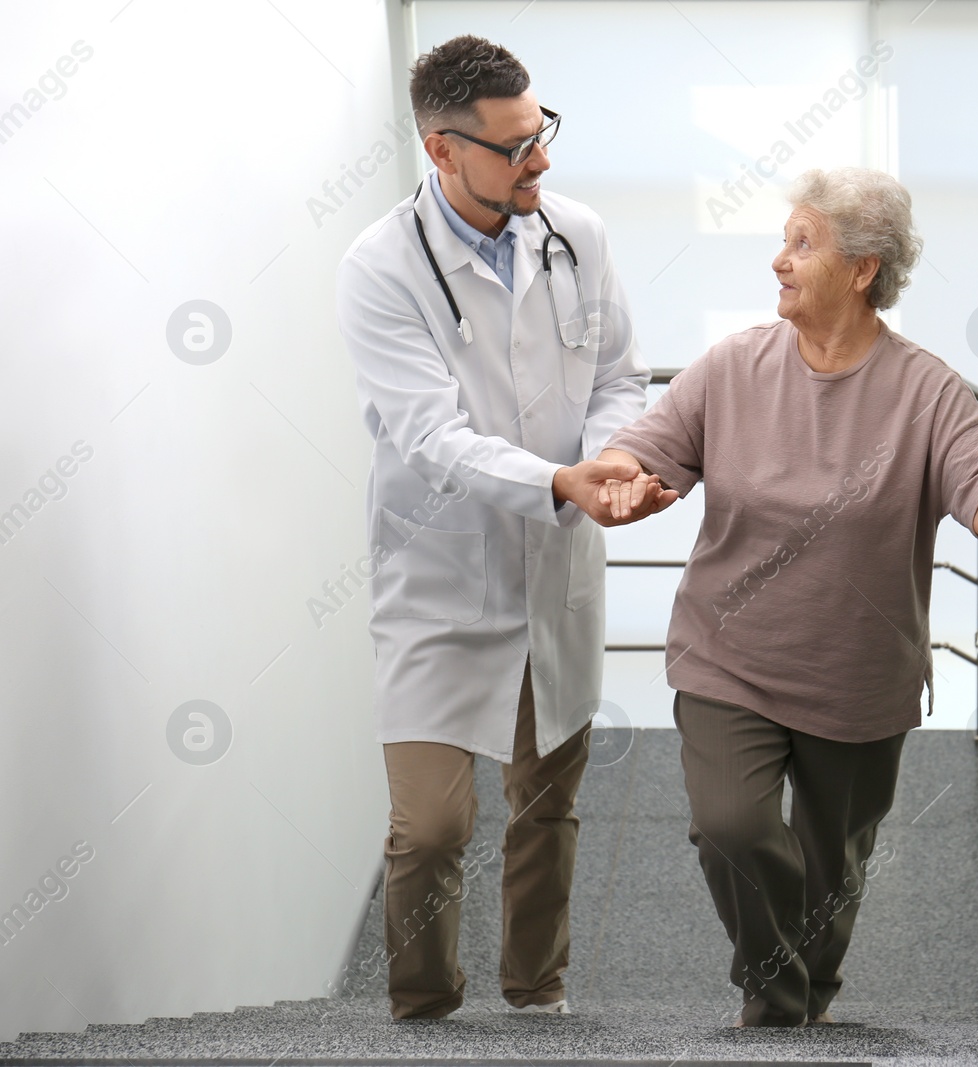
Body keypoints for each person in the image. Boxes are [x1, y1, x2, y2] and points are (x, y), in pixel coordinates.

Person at [599, 167, 978, 1027]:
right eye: (783, 240)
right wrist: (623, 477)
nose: (778, 260)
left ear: (862, 269)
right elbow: (646, 446)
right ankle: (778, 1002)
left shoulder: (927, 389)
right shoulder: (734, 365)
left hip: (858, 674)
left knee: (832, 866)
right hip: (728, 653)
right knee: (729, 827)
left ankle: (800, 1003)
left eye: (801, 243)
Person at [334, 35, 674, 1022]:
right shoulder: (379, 267)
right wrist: (562, 480)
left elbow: (617, 375)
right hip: (440, 575)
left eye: (542, 133)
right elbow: (431, 437)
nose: (543, 161)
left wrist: (607, 459)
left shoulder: (578, 234)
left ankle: (538, 992)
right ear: (442, 152)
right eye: (516, 147)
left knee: (546, 801)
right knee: (433, 824)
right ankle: (423, 1004)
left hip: (554, 565)